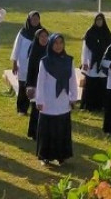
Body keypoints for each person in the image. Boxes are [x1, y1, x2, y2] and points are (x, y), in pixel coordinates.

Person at [35, 33, 78, 166]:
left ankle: (61, 155)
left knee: (61, 129)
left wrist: (73, 97)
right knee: (48, 129)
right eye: (56, 43)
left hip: (63, 101)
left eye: (61, 43)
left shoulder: (68, 60)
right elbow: (40, 83)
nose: (58, 46)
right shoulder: (45, 61)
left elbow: (72, 80)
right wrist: (40, 101)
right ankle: (45, 156)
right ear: (51, 44)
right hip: (48, 102)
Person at [80, 13, 111, 111]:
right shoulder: (90, 33)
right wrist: (84, 62)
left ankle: (101, 105)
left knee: (102, 84)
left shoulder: (107, 33)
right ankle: (89, 106)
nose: (99, 21)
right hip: (92, 63)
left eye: (101, 20)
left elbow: (110, 49)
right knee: (91, 84)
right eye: (97, 20)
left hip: (103, 63)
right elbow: (85, 49)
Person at [11, 11, 42, 115]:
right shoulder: (23, 32)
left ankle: (35, 108)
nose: (35, 21)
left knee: (35, 85)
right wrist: (14, 62)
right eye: (33, 19)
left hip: (36, 64)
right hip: (23, 64)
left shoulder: (41, 33)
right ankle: (22, 109)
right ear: (29, 20)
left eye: (37, 19)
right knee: (23, 86)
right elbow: (16, 48)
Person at [25, 28, 50, 139]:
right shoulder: (34, 51)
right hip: (35, 83)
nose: (44, 39)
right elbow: (30, 69)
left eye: (46, 36)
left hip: (48, 83)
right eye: (41, 36)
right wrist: (29, 85)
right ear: (37, 38)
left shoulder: (51, 50)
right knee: (36, 110)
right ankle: (34, 132)